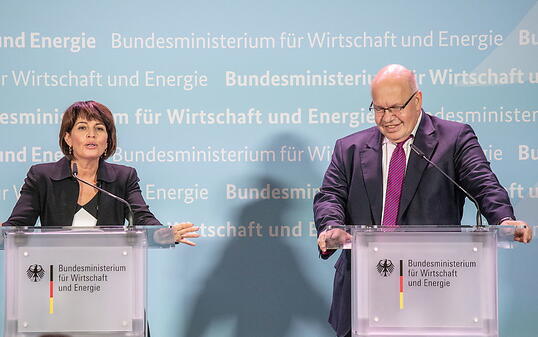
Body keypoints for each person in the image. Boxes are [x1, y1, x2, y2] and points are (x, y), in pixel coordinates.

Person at [313, 64, 532, 337]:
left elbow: (483, 184)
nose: (387, 118)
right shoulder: (349, 148)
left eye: (395, 107)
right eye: (379, 109)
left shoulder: (454, 139)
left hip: (431, 285)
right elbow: (331, 195)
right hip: (363, 292)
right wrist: (331, 225)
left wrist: (504, 219)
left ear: (417, 100)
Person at [3, 100, 199, 245]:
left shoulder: (123, 178)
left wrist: (161, 234)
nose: (91, 134)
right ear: (68, 138)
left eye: (99, 128)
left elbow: (142, 218)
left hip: (107, 277)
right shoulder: (42, 176)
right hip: (55, 277)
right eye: (82, 128)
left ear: (107, 140)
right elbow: (17, 227)